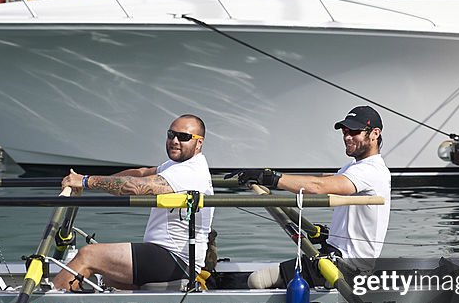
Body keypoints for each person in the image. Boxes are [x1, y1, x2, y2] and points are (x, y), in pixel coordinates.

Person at [232, 106, 391, 288]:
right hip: (334, 255)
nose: (347, 136)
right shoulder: (353, 168)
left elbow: (318, 187)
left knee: (256, 281)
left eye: (354, 131)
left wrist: (270, 177)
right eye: (345, 131)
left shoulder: (371, 171)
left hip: (348, 269)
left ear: (375, 134)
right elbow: (318, 180)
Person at [51, 114, 214, 290]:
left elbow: (136, 187)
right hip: (162, 254)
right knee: (106, 279)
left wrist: (86, 181)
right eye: (170, 134)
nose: (174, 141)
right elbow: (141, 173)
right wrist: (91, 183)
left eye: (183, 137)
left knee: (88, 256)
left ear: (199, 143)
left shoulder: (189, 172)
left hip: (176, 260)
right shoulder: (176, 165)